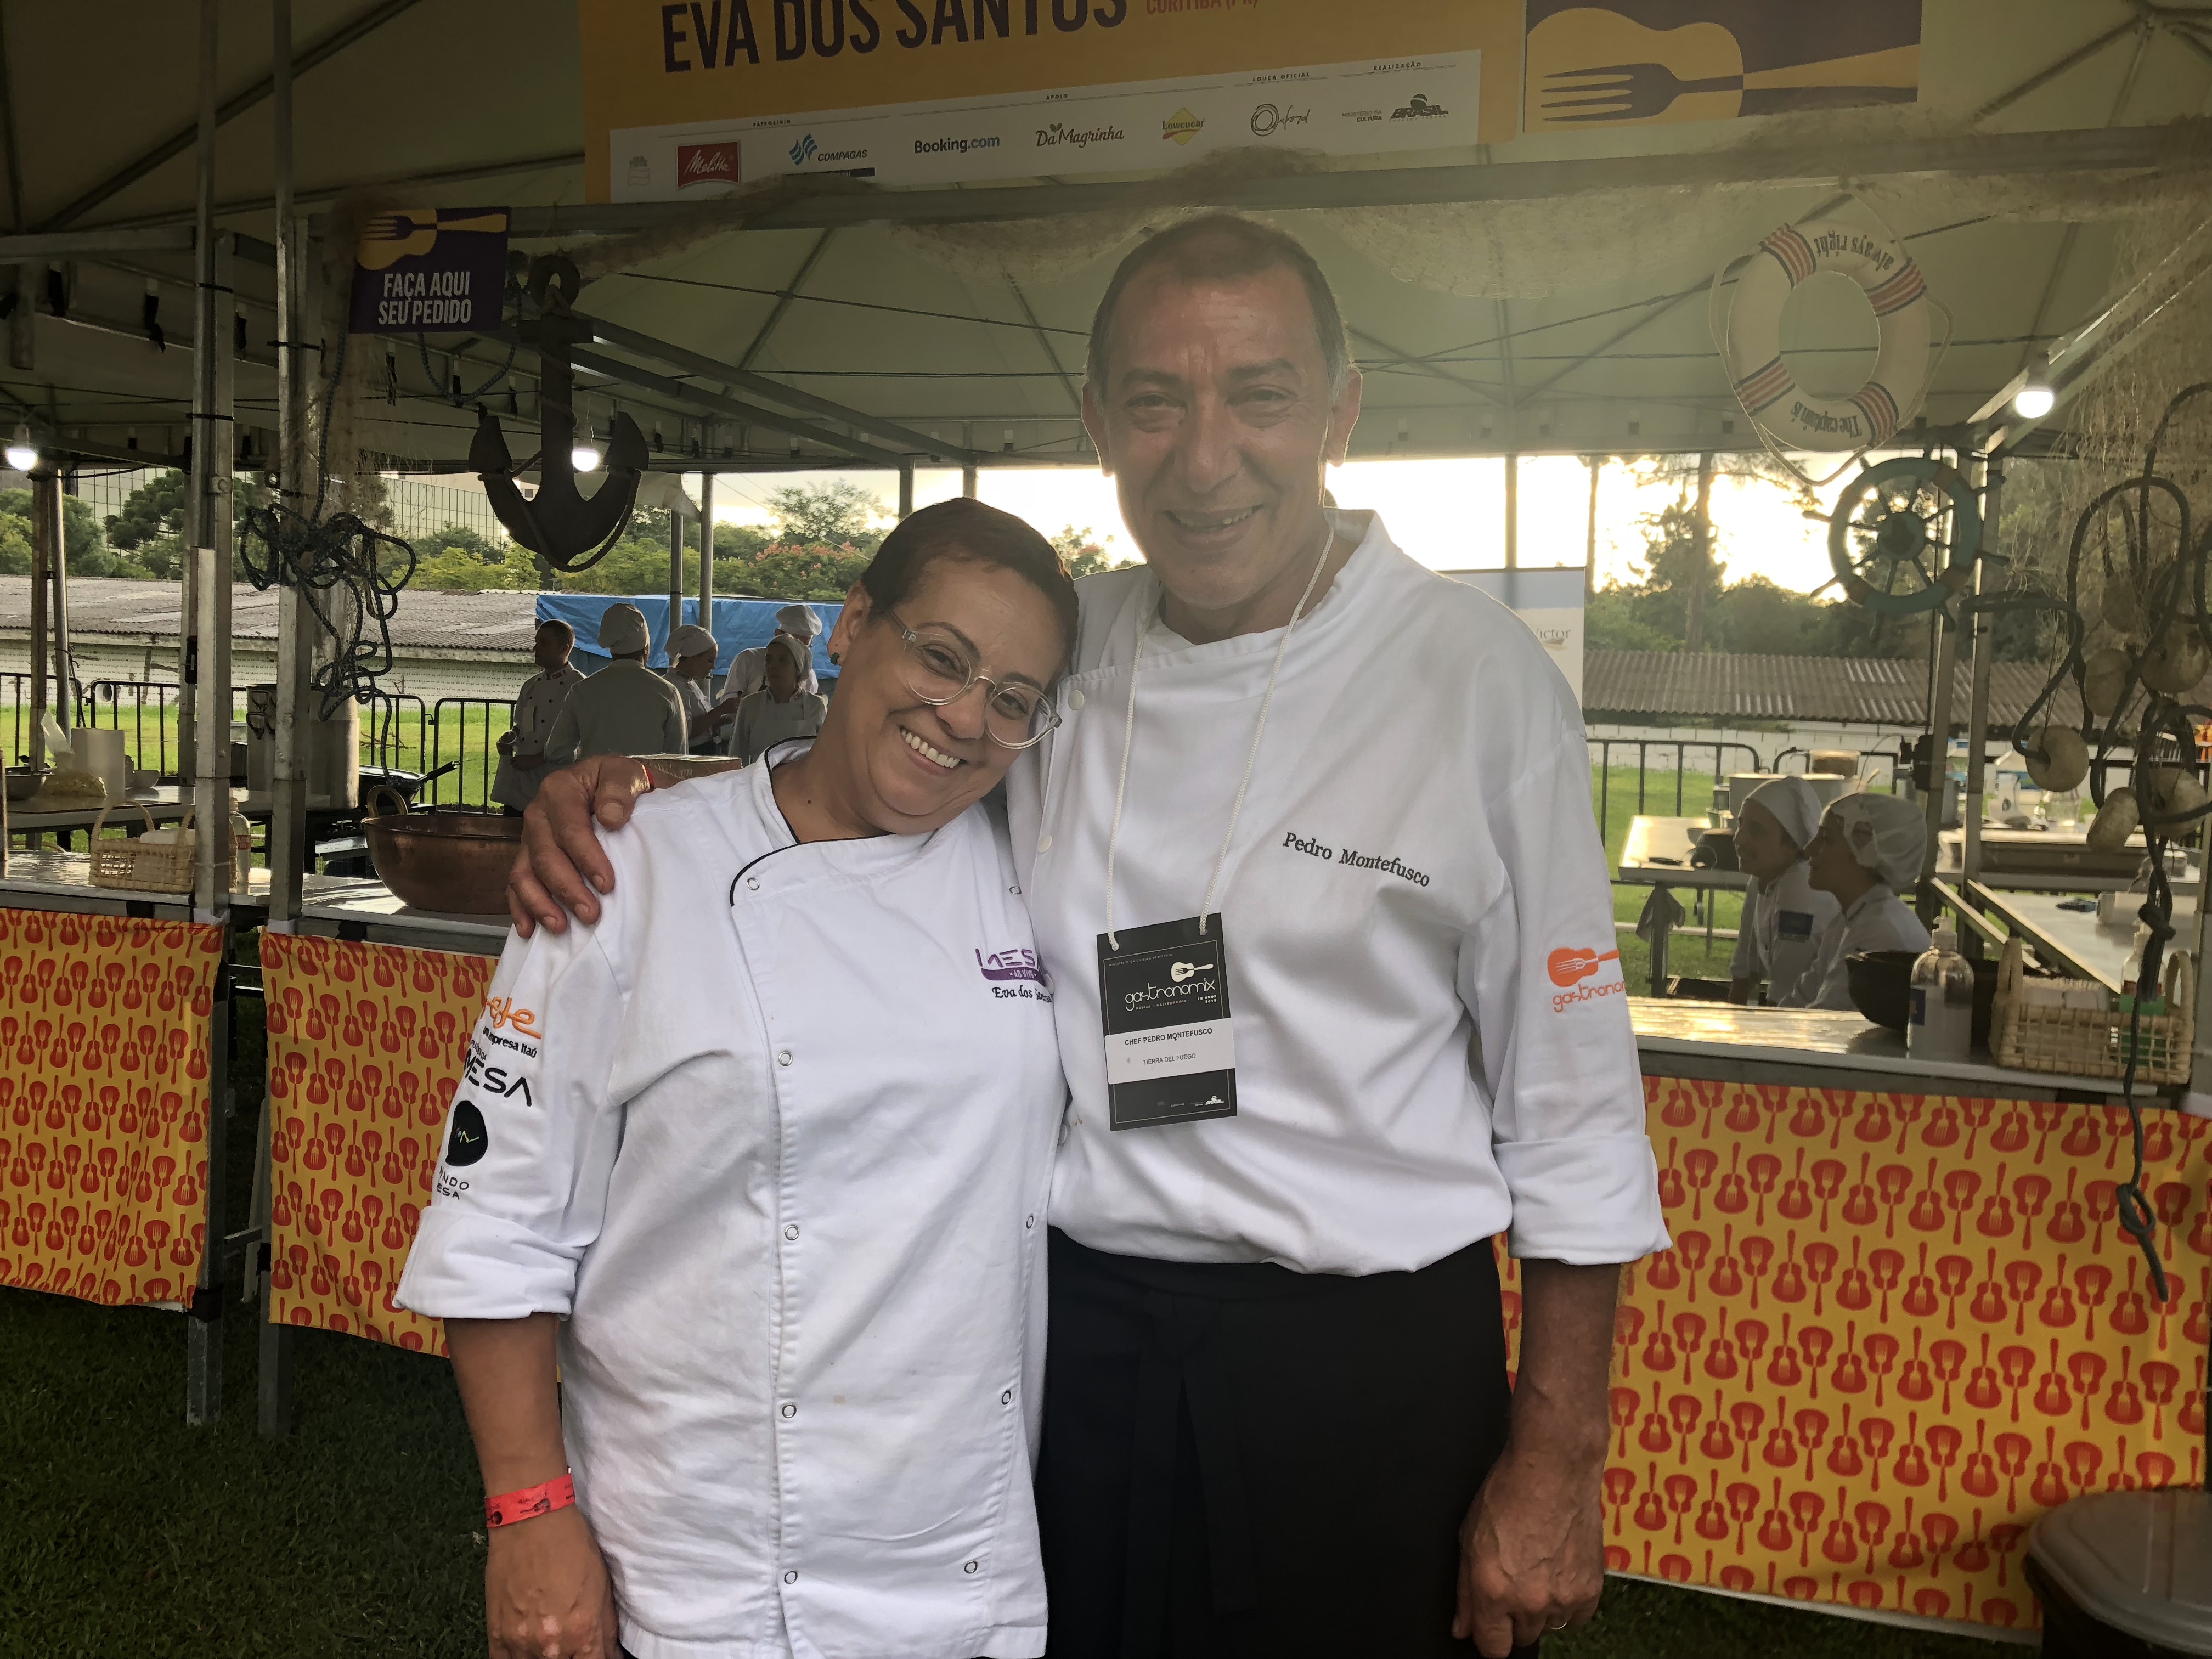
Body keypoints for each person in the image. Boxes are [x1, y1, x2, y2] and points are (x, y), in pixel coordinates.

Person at [509, 213, 1665, 1659]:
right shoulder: (1064, 648)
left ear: (1341, 412)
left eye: (1260, 396)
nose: (1205, 456)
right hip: (1081, 1342)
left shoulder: (1476, 681)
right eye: (1156, 403)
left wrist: (1560, 1460)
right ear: (1098, 424)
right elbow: (869, 782)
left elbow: (1573, 1114)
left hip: (1359, 1363)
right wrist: (635, 795)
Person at [396, 499, 1078, 1659]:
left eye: (1012, 698)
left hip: (960, 1549)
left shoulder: (1031, 858)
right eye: (940, 656)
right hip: (706, 1556)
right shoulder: (626, 867)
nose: (965, 717)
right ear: (851, 625)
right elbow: (500, 1225)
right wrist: (528, 1511)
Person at [1802, 791, 1934, 1011]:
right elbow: (1803, 996)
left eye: (1826, 839)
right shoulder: (1849, 920)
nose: (1809, 849)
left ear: (1865, 853)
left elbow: (1827, 1020)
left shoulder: (1878, 934)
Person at [1727, 776, 1839, 1007]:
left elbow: (1786, 991)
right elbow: (1744, 966)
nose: (1739, 838)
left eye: (1756, 831)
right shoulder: (1762, 876)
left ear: (1793, 844)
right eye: (1741, 824)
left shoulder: (1801, 887)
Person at [543, 603, 687, 766]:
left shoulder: (581, 690)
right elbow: (679, 760)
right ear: (646, 648)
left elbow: (555, 752)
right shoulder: (667, 692)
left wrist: (585, 758)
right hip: (649, 782)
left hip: (596, 780)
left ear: (611, 649)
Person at [492, 620, 586, 816]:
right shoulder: (531, 685)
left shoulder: (580, 686)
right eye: (536, 642)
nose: (536, 648)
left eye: (544, 643)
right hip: (522, 782)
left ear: (564, 649)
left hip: (557, 779)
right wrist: (510, 739)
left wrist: (537, 759)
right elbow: (522, 726)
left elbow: (579, 739)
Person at [729, 634, 828, 764]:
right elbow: (737, 755)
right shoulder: (750, 705)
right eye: (769, 660)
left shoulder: (815, 706)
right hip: (760, 777)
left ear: (797, 668)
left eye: (783, 661)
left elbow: (826, 755)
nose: (773, 666)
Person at [661, 623, 740, 754]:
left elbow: (703, 721)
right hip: (692, 753)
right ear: (693, 658)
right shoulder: (674, 687)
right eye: (709, 661)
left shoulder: (690, 683)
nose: (713, 667)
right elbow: (686, 730)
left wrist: (722, 719)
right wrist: (720, 710)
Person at [727, 602, 825, 698]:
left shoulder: (809, 676)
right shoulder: (748, 659)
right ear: (778, 634)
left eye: (805, 646)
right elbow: (729, 698)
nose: (798, 651)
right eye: (793, 643)